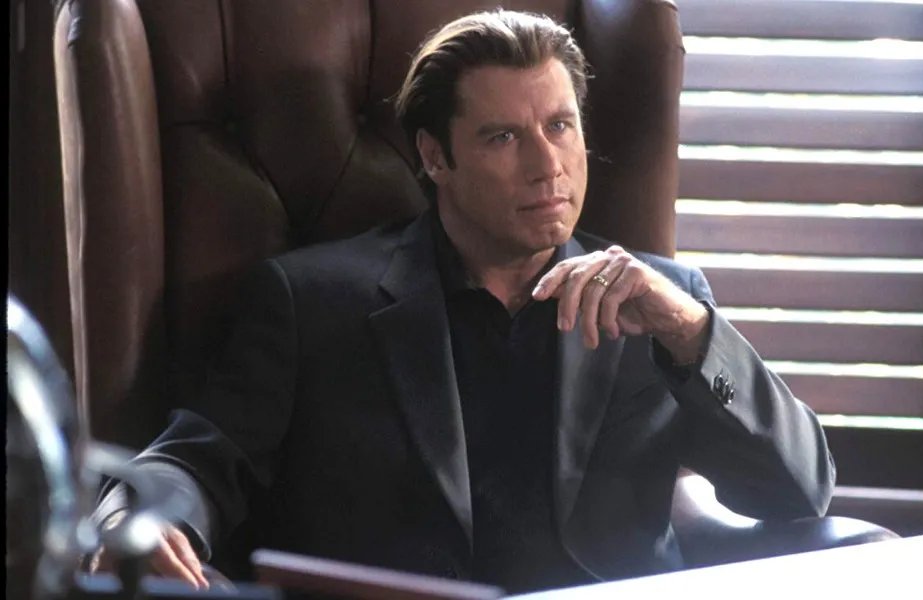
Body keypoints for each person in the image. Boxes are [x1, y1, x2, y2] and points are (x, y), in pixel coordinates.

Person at [89, 9, 835, 594]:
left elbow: (800, 491)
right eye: (504, 137)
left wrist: (688, 329)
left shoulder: (666, 304)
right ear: (434, 156)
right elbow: (192, 460)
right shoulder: (310, 301)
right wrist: (134, 518)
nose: (548, 166)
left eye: (560, 126)